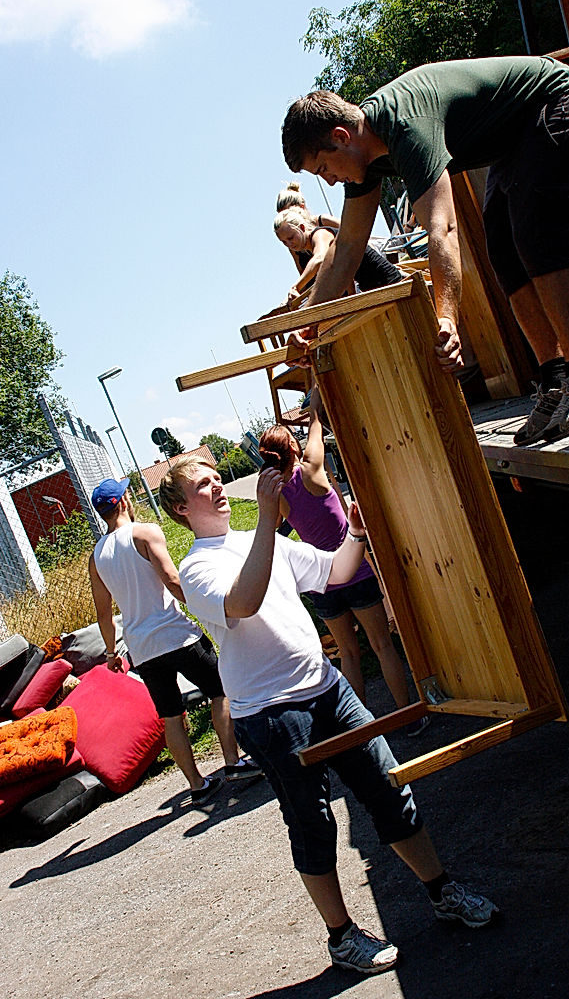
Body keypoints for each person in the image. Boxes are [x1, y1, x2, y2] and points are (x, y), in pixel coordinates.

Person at [158, 455, 498, 976]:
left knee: (390, 786)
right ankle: (341, 938)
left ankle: (442, 890)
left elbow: (335, 571)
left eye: (218, 478)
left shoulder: (260, 539)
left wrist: (356, 535)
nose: (218, 487)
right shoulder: (198, 566)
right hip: (271, 716)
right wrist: (269, 520)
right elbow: (244, 603)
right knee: (312, 825)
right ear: (181, 508)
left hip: (328, 689)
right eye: (203, 486)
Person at [281, 57, 569, 445]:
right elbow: (346, 251)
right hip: (513, 139)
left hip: (550, 101)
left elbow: (442, 227)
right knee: (505, 254)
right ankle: (556, 379)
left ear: (342, 136)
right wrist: (308, 326)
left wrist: (446, 319)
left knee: (535, 236)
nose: (328, 180)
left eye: (323, 167)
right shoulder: (366, 162)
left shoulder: (404, 127)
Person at [258, 383, 429, 737]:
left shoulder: (277, 495)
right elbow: (317, 425)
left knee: (349, 654)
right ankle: (409, 717)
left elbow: (274, 529)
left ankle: (360, 729)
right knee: (382, 645)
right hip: (355, 572)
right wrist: (315, 398)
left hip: (321, 583)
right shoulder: (311, 470)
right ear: (292, 445)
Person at [88, 477, 261, 806]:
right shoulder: (144, 533)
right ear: (124, 501)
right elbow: (171, 579)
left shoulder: (96, 557)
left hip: (140, 648)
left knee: (171, 716)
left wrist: (112, 652)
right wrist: (208, 608)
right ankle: (232, 762)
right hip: (175, 635)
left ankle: (197, 785)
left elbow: (103, 612)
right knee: (221, 689)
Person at [274, 205, 404, 308]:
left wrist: (296, 287)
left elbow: (319, 258)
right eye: (284, 242)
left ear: (302, 227)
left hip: (388, 281)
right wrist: (352, 299)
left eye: (291, 238)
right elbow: (345, 272)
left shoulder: (321, 234)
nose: (289, 244)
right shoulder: (309, 247)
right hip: (373, 289)